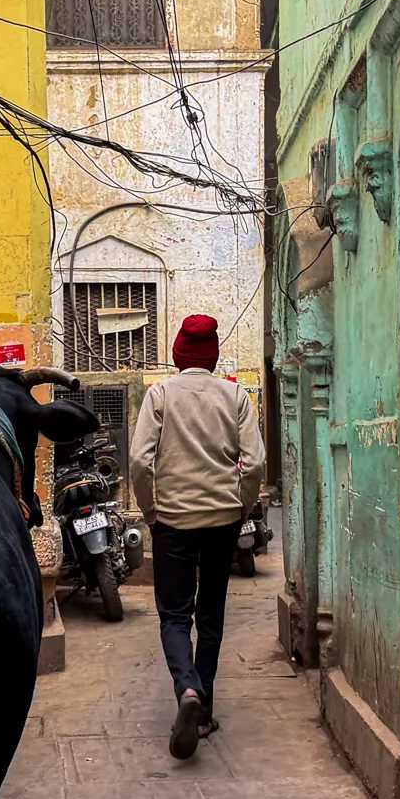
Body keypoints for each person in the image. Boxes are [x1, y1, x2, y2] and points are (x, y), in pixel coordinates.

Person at [128, 314, 267, 760]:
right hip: (222, 520)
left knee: (174, 616)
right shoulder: (235, 396)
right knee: (211, 616)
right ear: (212, 355)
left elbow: (138, 462)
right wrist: (241, 506)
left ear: (177, 353)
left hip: (173, 521)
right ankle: (203, 711)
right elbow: (256, 465)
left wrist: (152, 511)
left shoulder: (160, 396)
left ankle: (187, 690)